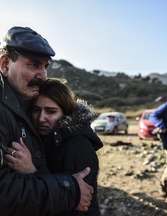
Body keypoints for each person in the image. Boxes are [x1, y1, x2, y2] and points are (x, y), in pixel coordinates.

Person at [0, 26, 94, 216]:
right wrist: (69, 190)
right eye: (34, 65)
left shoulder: (26, 105)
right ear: (5, 64)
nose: (43, 75)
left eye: (45, 66)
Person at [6, 78, 103, 215]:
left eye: (51, 112)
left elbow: (73, 205)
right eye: (36, 110)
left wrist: (32, 171)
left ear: (66, 113)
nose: (41, 118)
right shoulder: (40, 140)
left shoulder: (78, 146)